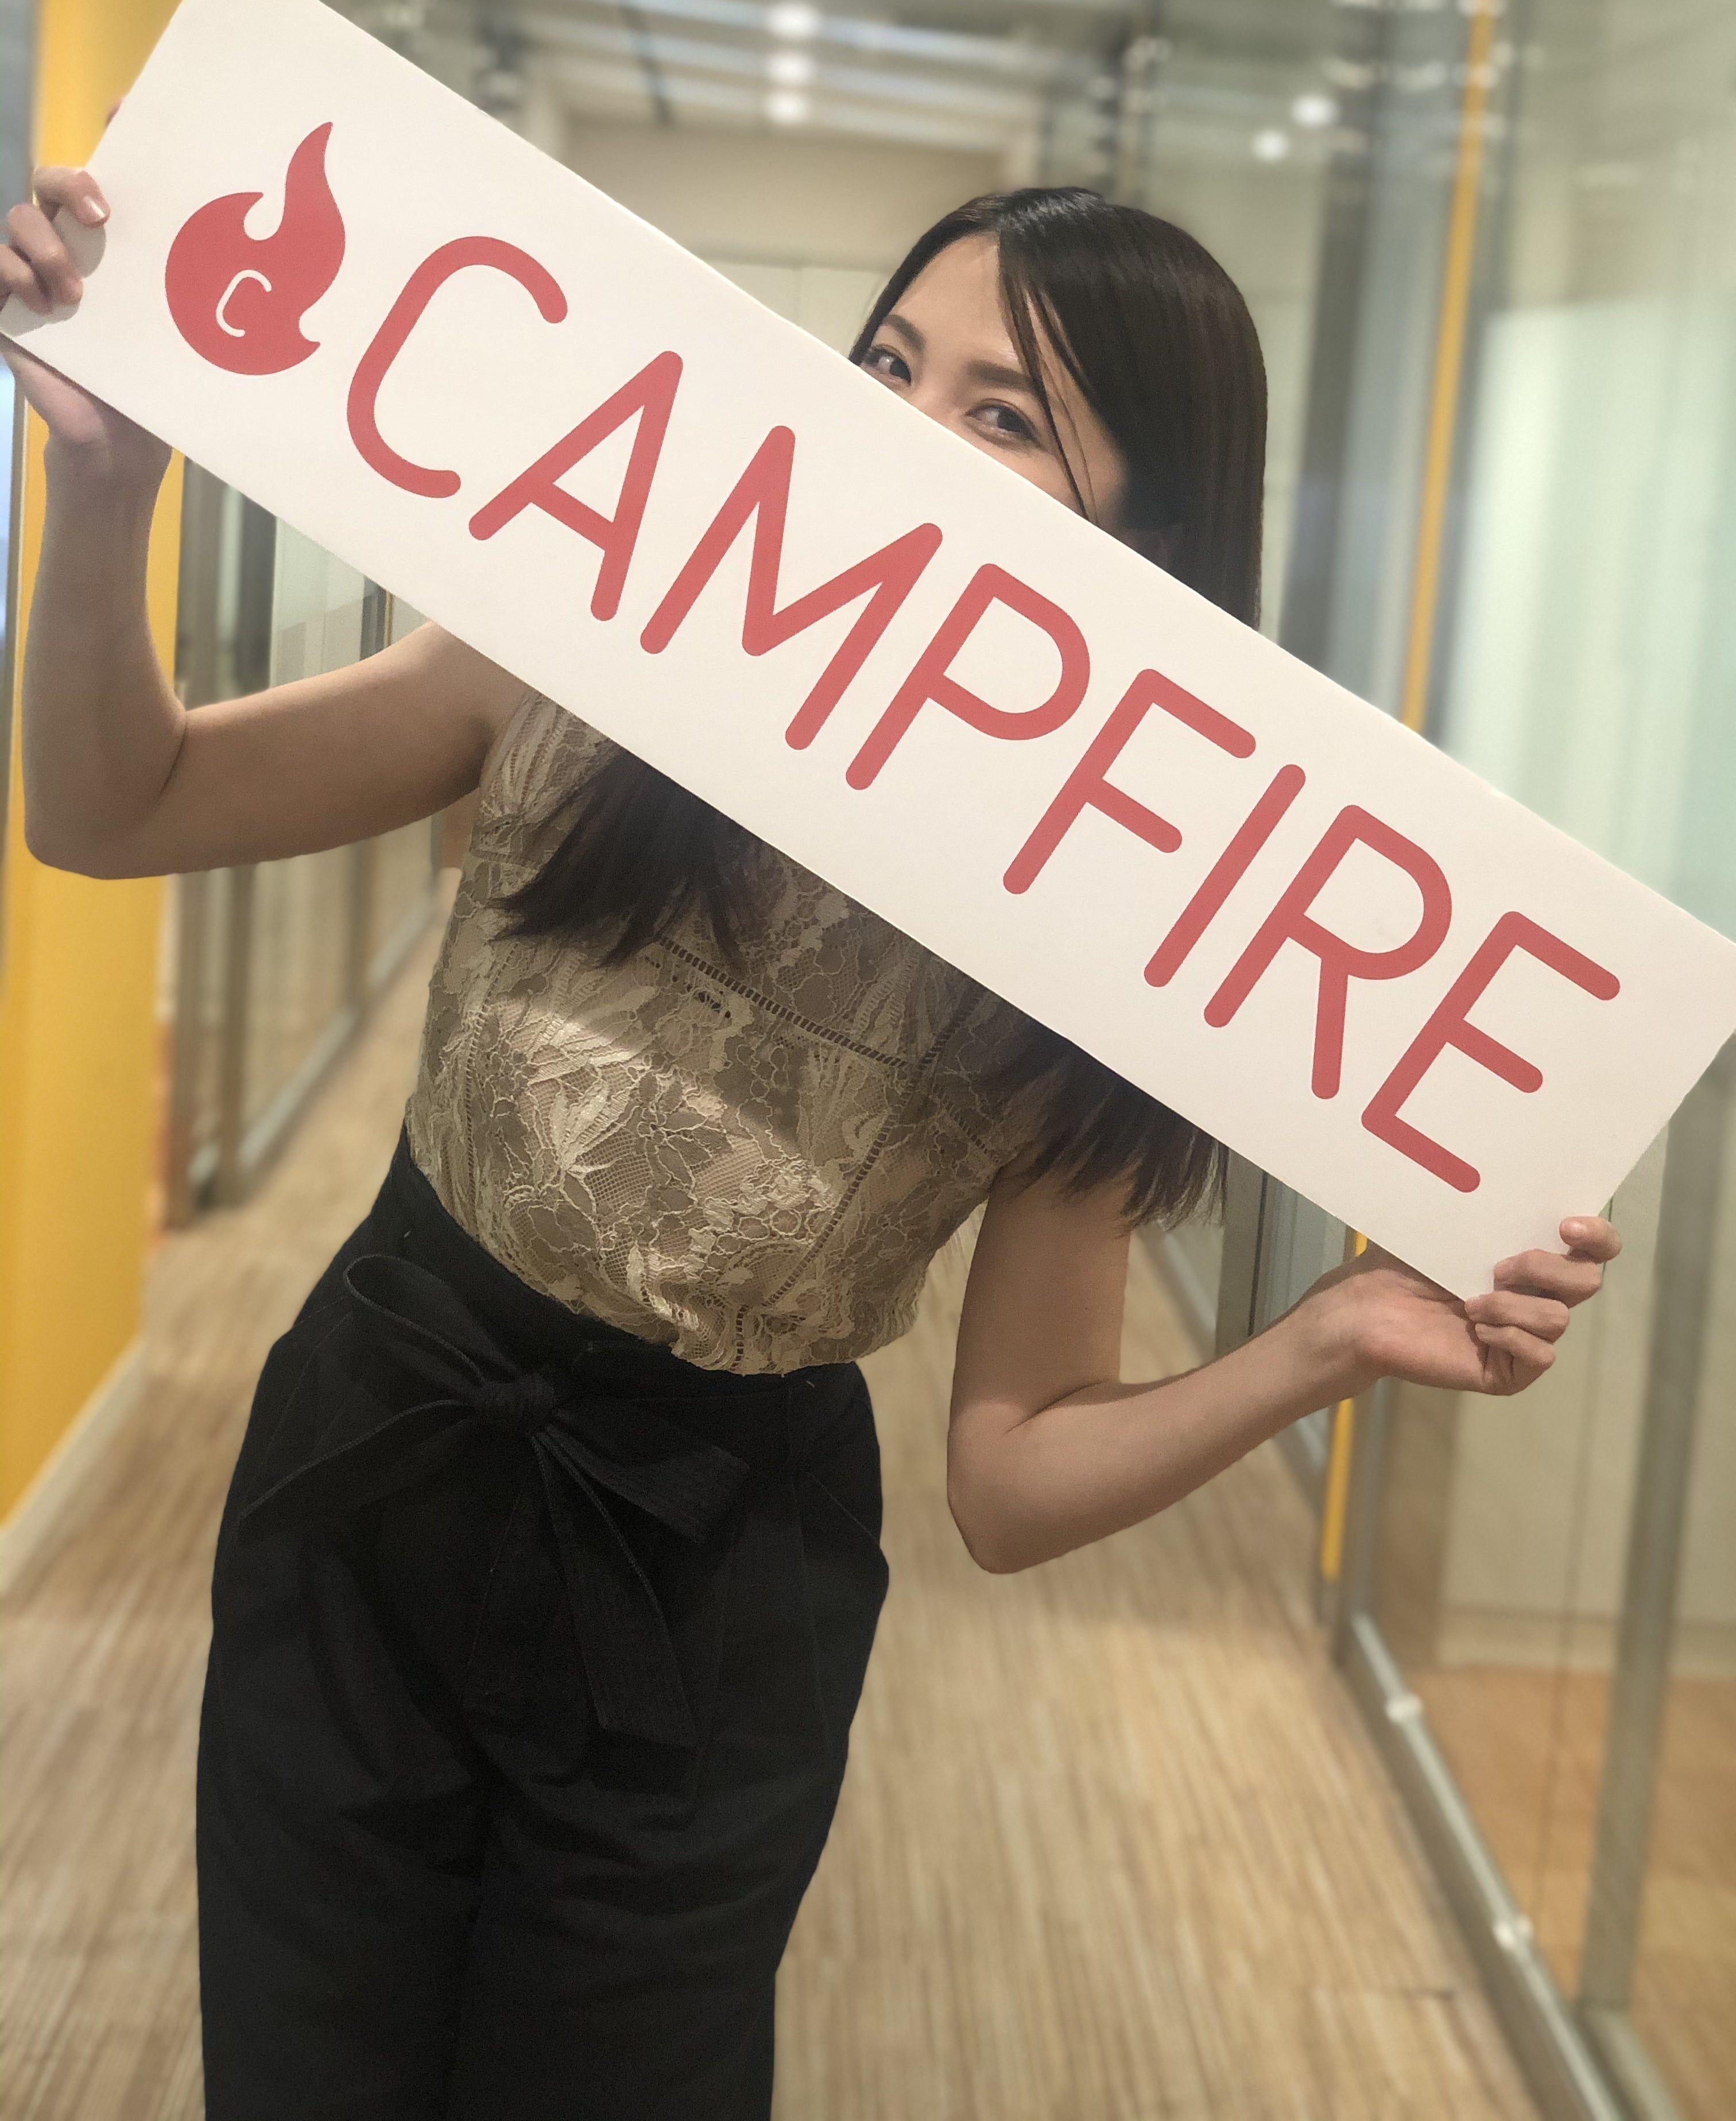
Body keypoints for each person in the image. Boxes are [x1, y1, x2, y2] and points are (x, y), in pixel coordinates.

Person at [1, 169, 1619, 2121]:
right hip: (376, 1443)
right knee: (302, 2069)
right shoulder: (589, 638)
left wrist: (1330, 1343)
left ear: (1150, 535)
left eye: (1005, 414)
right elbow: (116, 806)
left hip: (715, 1580)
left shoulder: (1124, 938)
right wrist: (103, 490)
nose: (902, 430)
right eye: (887, 364)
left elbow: (1010, 1476)